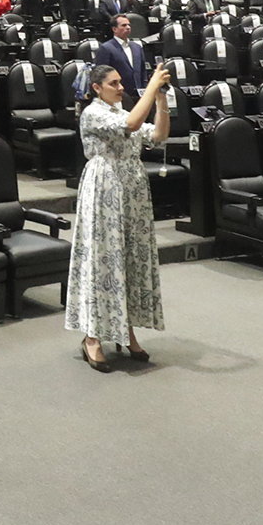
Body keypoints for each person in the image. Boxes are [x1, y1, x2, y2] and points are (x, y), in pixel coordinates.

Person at [65, 59, 173, 369]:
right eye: (114, 83)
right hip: (105, 187)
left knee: (130, 258)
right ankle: (92, 337)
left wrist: (161, 99)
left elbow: (159, 135)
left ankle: (126, 330)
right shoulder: (93, 113)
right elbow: (132, 125)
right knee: (103, 259)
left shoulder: (122, 112)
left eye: (121, 82)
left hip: (132, 190)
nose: (120, 87)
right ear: (97, 88)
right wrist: (151, 86)